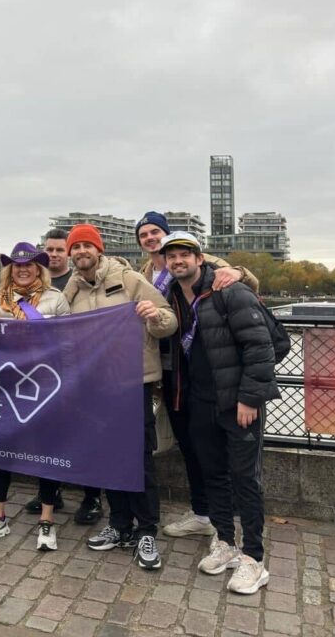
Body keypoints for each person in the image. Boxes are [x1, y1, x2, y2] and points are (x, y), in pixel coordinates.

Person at [162, 232, 279, 595]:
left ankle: (254, 559)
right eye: (172, 256)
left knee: (246, 479)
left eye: (185, 254)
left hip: (237, 403)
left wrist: (248, 398)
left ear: (200, 259)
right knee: (214, 475)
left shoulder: (230, 291)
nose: (178, 261)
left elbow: (261, 347)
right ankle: (226, 542)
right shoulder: (173, 297)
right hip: (200, 401)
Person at [134, 210, 258, 539]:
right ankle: (202, 512)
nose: (150, 238)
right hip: (174, 372)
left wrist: (239, 270)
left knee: (218, 452)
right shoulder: (144, 273)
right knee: (190, 445)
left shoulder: (197, 261)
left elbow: (248, 283)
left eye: (155, 231)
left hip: (211, 368)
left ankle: (225, 523)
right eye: (144, 234)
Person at [63, 224, 177, 571]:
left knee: (138, 457)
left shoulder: (128, 280)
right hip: (94, 386)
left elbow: (169, 321)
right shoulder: (71, 289)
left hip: (132, 382)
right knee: (106, 457)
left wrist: (153, 316)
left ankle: (146, 529)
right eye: (76, 246)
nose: (81, 251)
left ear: (99, 249)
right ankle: (119, 523)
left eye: (87, 245)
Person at [0, 242, 69, 550]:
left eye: (29, 264)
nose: (23, 268)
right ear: (10, 269)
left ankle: (47, 519)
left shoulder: (56, 300)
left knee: (46, 451)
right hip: (8, 385)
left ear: (39, 268)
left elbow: (68, 342)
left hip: (43, 385)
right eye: (17, 264)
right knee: (2, 447)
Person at [24, 228, 103, 525]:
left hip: (81, 372)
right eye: (50, 250)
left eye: (60, 249)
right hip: (43, 375)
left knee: (84, 436)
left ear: (67, 253)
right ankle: (50, 491)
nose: (55, 254)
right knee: (47, 438)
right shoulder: (33, 283)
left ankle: (91, 496)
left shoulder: (80, 282)